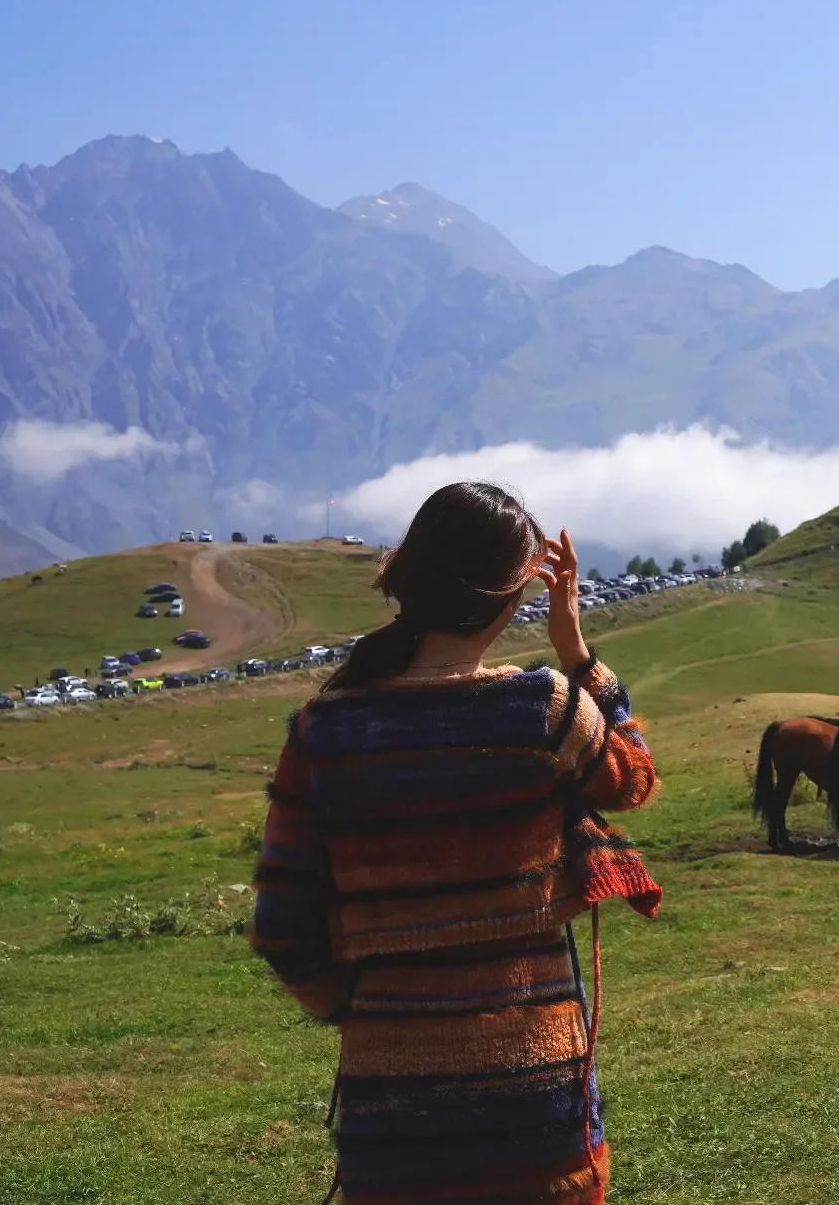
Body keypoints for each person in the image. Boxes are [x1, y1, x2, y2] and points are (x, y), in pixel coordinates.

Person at [250, 482, 661, 1204]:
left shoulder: (322, 731)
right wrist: (576, 650)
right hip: (536, 1106)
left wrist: (368, 1010)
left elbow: (284, 929)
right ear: (510, 598)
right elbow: (631, 781)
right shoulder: (547, 708)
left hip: (392, 1118)